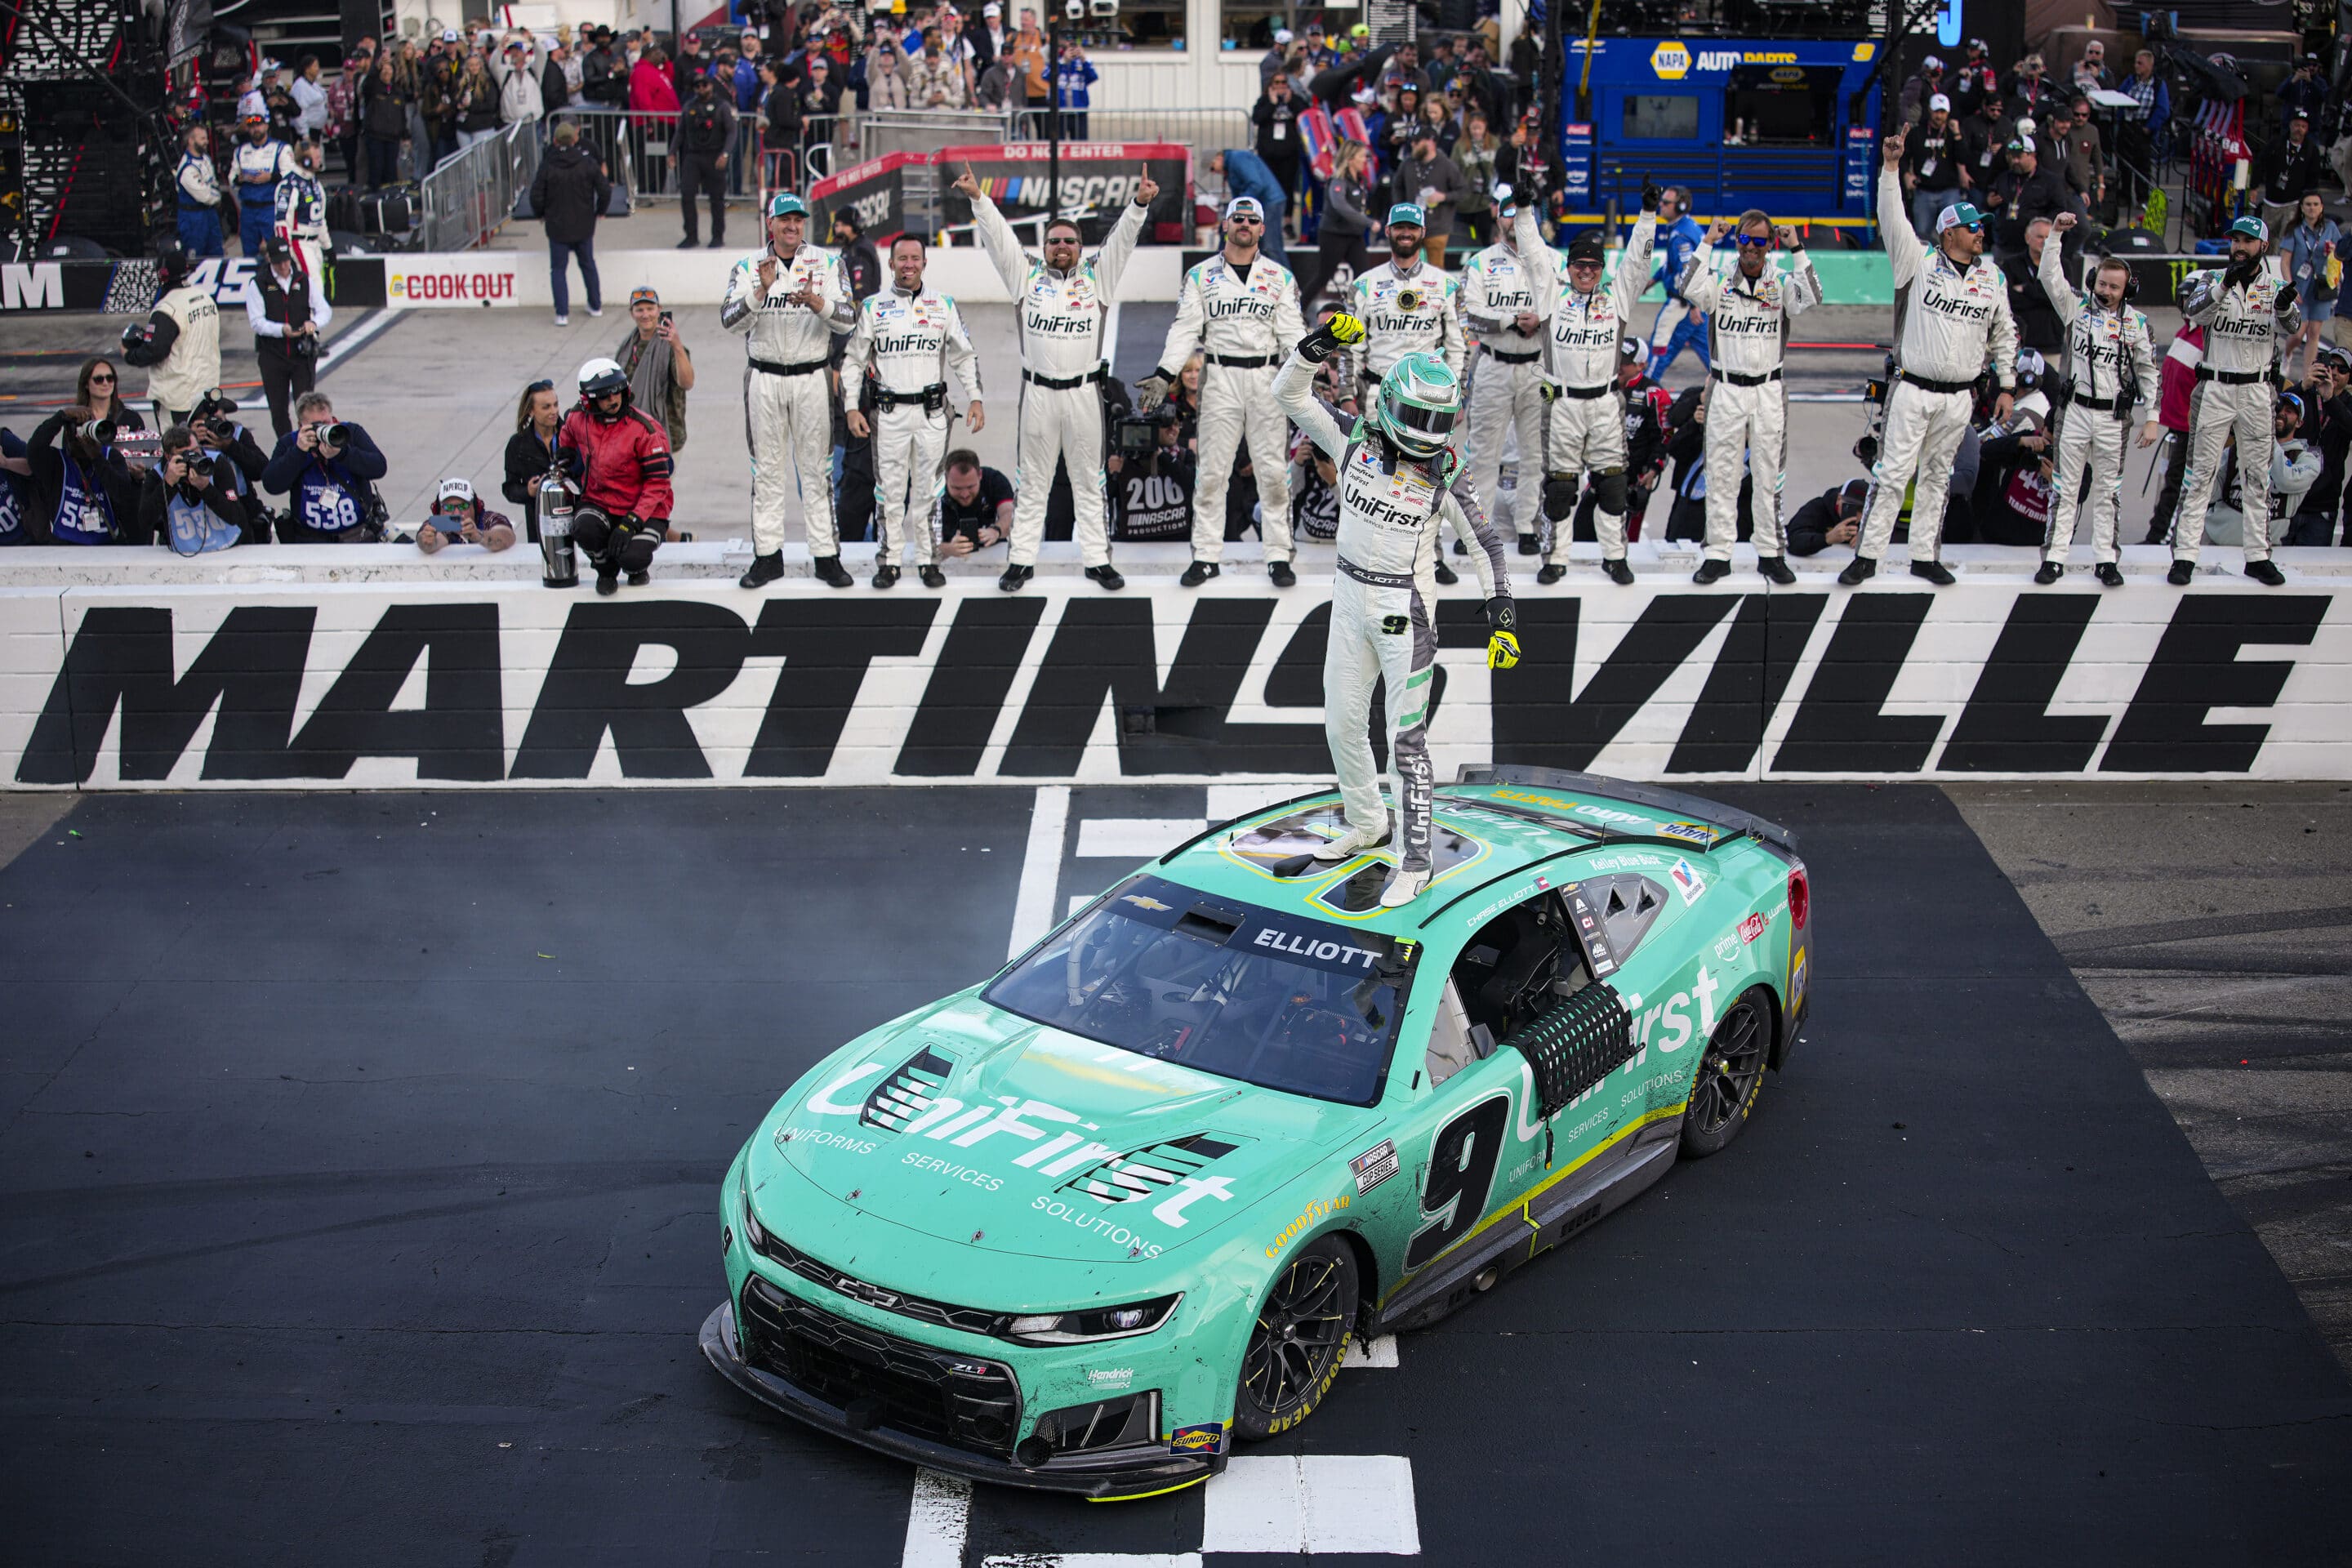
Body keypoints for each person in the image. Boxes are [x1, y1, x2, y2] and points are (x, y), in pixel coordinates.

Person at [1274, 318, 1520, 907]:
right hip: (1347, 596)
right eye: (1420, 416)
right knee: (1339, 724)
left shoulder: (1447, 475)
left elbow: (1487, 544)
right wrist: (1320, 343)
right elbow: (1288, 393)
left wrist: (1503, 615)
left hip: (1402, 613)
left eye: (1439, 421)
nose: (1427, 432)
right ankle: (1366, 822)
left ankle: (1416, 860)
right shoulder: (1352, 437)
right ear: (1389, 404)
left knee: (1404, 742)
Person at [960, 163, 1152, 591]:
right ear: (1043, 246)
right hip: (1039, 393)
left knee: (1090, 481)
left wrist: (1138, 205)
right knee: (1032, 482)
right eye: (1054, 241)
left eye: (1069, 241)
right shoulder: (1025, 275)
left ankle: (1098, 560)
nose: (1061, 246)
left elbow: (1122, 241)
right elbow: (1001, 240)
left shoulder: (1096, 277)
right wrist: (979, 198)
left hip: (1085, 395)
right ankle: (1022, 561)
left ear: (1082, 247)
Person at [1850, 131, 2017, 585]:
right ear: (1948, 233)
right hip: (1913, 390)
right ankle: (1868, 556)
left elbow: (2005, 334)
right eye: (1972, 227)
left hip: (1961, 397)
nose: (1981, 231)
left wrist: (2006, 386)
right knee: (1892, 473)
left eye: (1981, 225)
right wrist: (1889, 169)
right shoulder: (1918, 263)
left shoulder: (1992, 277)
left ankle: (1925, 556)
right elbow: (1891, 216)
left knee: (1938, 479)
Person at [1145, 194, 1307, 587]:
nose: (1245, 225)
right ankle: (1205, 555)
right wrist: (1165, 372)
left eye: (1253, 220)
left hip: (1267, 378)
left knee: (1272, 473)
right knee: (1212, 472)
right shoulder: (1200, 275)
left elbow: (1293, 334)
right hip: (1218, 376)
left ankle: (1278, 556)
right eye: (1238, 218)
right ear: (1226, 224)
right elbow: (1185, 328)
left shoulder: (1281, 277)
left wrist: (1310, 370)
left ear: (1263, 228)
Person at [1517, 183, 1661, 584]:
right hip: (1561, 405)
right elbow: (1530, 254)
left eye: (1593, 266)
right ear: (1568, 267)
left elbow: (1638, 263)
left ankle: (1615, 558)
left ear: (1601, 271)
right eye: (1578, 264)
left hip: (1604, 404)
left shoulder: (1617, 298)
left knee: (1613, 485)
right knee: (1560, 489)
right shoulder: (1551, 296)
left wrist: (1648, 215)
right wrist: (1526, 209)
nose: (1585, 271)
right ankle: (1555, 558)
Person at [1676, 209, 1820, 584]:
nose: (1751, 247)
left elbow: (1812, 297)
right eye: (1745, 239)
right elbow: (1686, 286)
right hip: (1725, 388)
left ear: (1770, 245)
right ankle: (1718, 554)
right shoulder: (1720, 279)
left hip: (1769, 389)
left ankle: (1770, 553)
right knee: (1721, 473)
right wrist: (1707, 241)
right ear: (1736, 241)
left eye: (1759, 241)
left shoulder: (1783, 280)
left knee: (1769, 475)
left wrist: (1797, 248)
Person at [727, 192, 858, 589]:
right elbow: (730, 321)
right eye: (784, 220)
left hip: (811, 376)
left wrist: (819, 303)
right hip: (764, 377)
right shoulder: (748, 266)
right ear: (771, 224)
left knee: (817, 472)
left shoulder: (829, 262)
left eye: (798, 220)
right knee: (766, 471)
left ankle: (826, 556)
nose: (792, 226)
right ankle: (768, 557)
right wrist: (759, 292)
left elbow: (849, 317)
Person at [839, 235, 984, 589]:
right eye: (901, 258)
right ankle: (889, 562)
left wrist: (976, 397)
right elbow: (854, 361)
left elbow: (964, 355)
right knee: (888, 492)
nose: (908, 264)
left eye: (914, 258)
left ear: (924, 263)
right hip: (888, 413)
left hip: (932, 413)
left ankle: (928, 560)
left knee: (928, 492)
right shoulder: (873, 307)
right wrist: (850, 408)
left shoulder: (943, 304)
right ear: (890, 264)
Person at [2169, 216, 2298, 586]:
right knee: (2200, 476)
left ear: (2264, 247)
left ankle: (2257, 556)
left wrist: (2287, 307)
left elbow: (2292, 326)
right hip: (2215, 387)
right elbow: (2194, 313)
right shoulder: (2212, 279)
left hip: (2258, 390)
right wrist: (2226, 284)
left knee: (2257, 477)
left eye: (2248, 241)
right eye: (2235, 240)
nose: (2239, 246)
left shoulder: (2275, 287)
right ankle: (2185, 556)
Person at [2034, 218, 2158, 586]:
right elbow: (2049, 276)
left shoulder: (2137, 324)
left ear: (2127, 290)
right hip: (2073, 411)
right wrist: (2056, 234)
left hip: (2114, 418)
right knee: (2064, 487)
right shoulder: (2077, 309)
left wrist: (2153, 417)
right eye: (2102, 283)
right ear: (2093, 280)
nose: (2106, 290)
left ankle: (2106, 560)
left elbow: (2150, 372)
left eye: (2114, 286)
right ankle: (2054, 558)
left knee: (2109, 492)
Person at [1461, 183, 1549, 561]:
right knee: (1483, 454)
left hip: (1536, 367)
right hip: (1494, 364)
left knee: (1533, 453)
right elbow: (1471, 316)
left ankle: (1528, 526)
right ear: (1498, 216)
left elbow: (1563, 310)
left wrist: (1541, 320)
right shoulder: (1480, 262)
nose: (1514, 219)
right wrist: (1512, 321)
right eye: (1507, 211)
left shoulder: (1551, 262)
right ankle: (1478, 529)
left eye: (1520, 211)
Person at [558, 358, 673, 593]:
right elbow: (567, 435)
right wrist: (565, 459)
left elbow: (658, 483)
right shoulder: (577, 418)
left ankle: (636, 570)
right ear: (588, 400)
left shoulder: (645, 429)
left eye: (616, 392)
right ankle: (605, 570)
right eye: (604, 396)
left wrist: (631, 523)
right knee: (583, 529)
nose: (613, 399)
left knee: (632, 558)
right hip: (599, 501)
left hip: (645, 509)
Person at [2203, 393, 2320, 554]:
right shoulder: (2237, 449)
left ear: (2299, 422)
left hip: (2263, 553)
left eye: (2289, 411)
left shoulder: (2307, 460)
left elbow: (2285, 480)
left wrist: (2266, 437)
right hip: (2216, 544)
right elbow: (2211, 492)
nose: (2281, 414)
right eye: (2277, 409)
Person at [262, 391, 386, 542]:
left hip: (356, 536)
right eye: (316, 426)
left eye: (327, 423)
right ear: (301, 426)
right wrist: (299, 453)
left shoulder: (350, 433)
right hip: (310, 539)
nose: (323, 431)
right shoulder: (290, 443)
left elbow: (379, 467)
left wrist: (343, 454)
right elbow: (271, 484)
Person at [121, 245, 220, 427]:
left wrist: (129, 354)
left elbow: (155, 351)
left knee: (177, 449)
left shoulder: (167, 308)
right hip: (207, 392)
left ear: (162, 275)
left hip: (177, 399)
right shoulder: (206, 298)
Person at [244, 235, 332, 441]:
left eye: (286, 260)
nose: (283, 265)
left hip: (302, 354)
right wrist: (281, 330)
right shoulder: (258, 284)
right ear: (270, 260)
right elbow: (256, 321)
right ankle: (289, 445)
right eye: (278, 262)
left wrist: (314, 324)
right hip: (273, 355)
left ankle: (310, 443)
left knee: (307, 406)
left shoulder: (303, 280)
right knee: (278, 409)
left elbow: (324, 310)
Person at [531, 121, 610, 328]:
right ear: (575, 139)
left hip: (557, 226)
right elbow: (604, 189)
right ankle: (595, 305)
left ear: (555, 141)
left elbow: (536, 194)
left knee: (558, 269)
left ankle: (562, 313)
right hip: (584, 224)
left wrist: (540, 213)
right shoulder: (587, 163)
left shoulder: (548, 164)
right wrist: (600, 211)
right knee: (588, 264)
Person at [25, 403, 138, 544]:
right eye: (79, 427)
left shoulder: (110, 457)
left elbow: (123, 494)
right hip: (66, 547)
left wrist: (97, 458)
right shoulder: (57, 462)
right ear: (68, 433)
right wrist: (61, 416)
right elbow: (34, 450)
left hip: (106, 546)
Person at [612, 286, 694, 452]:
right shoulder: (626, 348)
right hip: (631, 437)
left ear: (659, 310)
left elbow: (687, 383)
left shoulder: (671, 348)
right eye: (639, 310)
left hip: (666, 436)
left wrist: (677, 346)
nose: (645, 314)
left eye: (650, 309)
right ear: (632, 313)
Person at [2287, 346, 2352, 545]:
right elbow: (2277, 414)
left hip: (2322, 506)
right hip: (2289, 500)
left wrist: (2330, 399)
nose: (2334, 372)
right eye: (2330, 366)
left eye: (2342, 370)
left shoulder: (2348, 404)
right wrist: (2302, 386)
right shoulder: (2304, 394)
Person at [1646, 187, 1709, 379]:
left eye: (1666, 203)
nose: (1661, 206)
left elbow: (1687, 270)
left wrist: (1691, 305)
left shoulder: (1680, 236)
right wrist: (1653, 281)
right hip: (1697, 304)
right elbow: (1672, 265)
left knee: (1658, 351)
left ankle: (1643, 392)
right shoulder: (1689, 226)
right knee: (1716, 360)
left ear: (1680, 206)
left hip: (1682, 305)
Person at [1308, 140, 1378, 307]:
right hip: (1334, 234)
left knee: (1363, 276)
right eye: (1361, 156)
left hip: (1354, 235)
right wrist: (1368, 222)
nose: (1364, 160)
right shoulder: (1338, 181)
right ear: (1350, 159)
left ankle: (1360, 310)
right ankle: (1300, 308)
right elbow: (1341, 206)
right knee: (1324, 276)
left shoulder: (1359, 181)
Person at [2280, 191, 2339, 383]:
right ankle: (2287, 353)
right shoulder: (2295, 229)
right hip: (2300, 289)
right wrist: (2290, 285)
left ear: (2321, 207)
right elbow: (2285, 261)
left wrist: (2334, 252)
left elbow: (2341, 253)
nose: (2312, 208)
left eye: (2316, 204)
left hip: (2321, 288)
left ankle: (2308, 376)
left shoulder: (2330, 228)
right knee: (2298, 333)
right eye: (2308, 204)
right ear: (2302, 208)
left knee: (2314, 332)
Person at [675, 72, 735, 250]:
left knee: (717, 198)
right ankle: (691, 235)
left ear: (710, 86)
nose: (701, 89)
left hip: (715, 154)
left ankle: (718, 236)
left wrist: (725, 154)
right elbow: (681, 132)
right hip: (694, 155)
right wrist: (672, 152)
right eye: (697, 86)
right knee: (687, 193)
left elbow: (732, 131)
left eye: (704, 85)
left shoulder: (721, 106)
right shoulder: (689, 106)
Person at [502, 377, 564, 541]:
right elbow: (509, 488)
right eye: (546, 407)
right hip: (539, 522)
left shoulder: (570, 435)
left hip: (571, 516)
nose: (554, 411)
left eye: (555, 404)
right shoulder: (519, 444)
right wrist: (528, 492)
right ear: (531, 411)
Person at [230, 114, 296, 256]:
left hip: (271, 208)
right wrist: (240, 179)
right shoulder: (240, 151)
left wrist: (271, 177)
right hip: (248, 209)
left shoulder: (281, 148)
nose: (256, 129)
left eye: (259, 125)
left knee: (278, 250)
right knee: (249, 253)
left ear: (266, 126)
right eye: (252, 126)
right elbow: (232, 179)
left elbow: (291, 177)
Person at [1400, 128, 1465, 270]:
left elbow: (1462, 191)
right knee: (1407, 265)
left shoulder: (1447, 165)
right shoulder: (1408, 163)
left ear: (1430, 143)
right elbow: (1397, 186)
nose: (1413, 145)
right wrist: (1401, 209)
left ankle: (1436, 293)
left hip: (1438, 225)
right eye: (1412, 142)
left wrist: (1443, 197)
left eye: (1417, 142)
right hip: (1411, 224)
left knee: (1436, 269)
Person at [1212, 149, 1291, 265]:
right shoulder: (1230, 169)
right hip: (1265, 203)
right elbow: (1237, 199)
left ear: (1219, 158)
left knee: (1271, 245)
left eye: (1212, 167)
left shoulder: (1237, 159)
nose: (1214, 172)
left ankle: (1285, 280)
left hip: (1271, 201)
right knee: (1265, 246)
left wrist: (1242, 207)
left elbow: (1256, 184)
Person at [1904, 96, 1966, 238]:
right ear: (1930, 110)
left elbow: (1963, 158)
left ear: (1948, 113)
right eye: (1937, 112)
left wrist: (1957, 135)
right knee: (1922, 234)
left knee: (1952, 233)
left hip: (1949, 190)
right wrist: (1907, 174)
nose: (1939, 116)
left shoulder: (1953, 133)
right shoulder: (1917, 133)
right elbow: (1904, 157)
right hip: (1924, 190)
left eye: (1943, 112)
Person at [2115, 50, 2169, 212]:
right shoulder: (2131, 80)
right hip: (2127, 127)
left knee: (2142, 165)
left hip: (2143, 128)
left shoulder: (2158, 84)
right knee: (2123, 164)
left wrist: (2149, 127)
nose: (2136, 66)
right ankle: (2124, 195)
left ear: (2150, 65)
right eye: (2136, 62)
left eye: (2140, 63)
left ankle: (2142, 197)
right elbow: (2119, 95)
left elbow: (2163, 109)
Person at [2002, 217, 2064, 356]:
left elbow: (2060, 299)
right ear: (2027, 238)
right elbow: (2009, 299)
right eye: (2040, 237)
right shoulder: (2011, 264)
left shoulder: (2063, 265)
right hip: (2018, 343)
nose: (2044, 241)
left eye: (2048, 237)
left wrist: (2026, 289)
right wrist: (2045, 296)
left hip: (2051, 344)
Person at [2257, 114, 2325, 235]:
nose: (2299, 129)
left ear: (2307, 129)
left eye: (2303, 126)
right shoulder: (2276, 144)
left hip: (2294, 202)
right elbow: (2260, 164)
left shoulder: (2311, 150)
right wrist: (2253, 187)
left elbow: (2314, 177)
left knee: (2288, 237)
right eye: (2296, 125)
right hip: (2271, 201)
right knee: (2266, 239)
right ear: (2290, 125)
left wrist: (2307, 199)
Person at [938, 450, 1014, 556]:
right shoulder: (935, 490)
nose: (965, 494)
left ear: (980, 476)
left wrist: (996, 531)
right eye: (957, 488)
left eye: (970, 487)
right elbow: (923, 538)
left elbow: (1010, 513)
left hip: (992, 553)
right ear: (946, 479)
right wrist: (948, 549)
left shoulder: (993, 480)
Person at [273, 140, 330, 282]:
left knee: (318, 285)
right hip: (300, 243)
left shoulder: (316, 183)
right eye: (316, 158)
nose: (319, 160)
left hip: (316, 243)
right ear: (305, 161)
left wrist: (328, 246)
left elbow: (320, 219)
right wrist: (285, 253)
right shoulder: (290, 185)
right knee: (313, 286)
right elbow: (282, 223)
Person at [415, 475, 516, 554]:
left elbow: (507, 537)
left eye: (463, 506)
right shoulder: (435, 525)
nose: (456, 513)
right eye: (448, 508)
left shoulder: (489, 519)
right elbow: (429, 540)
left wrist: (478, 536)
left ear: (475, 507)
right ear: (439, 510)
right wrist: (428, 542)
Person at [359, 49, 412, 189]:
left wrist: (405, 134)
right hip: (375, 136)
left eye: (389, 70)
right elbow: (366, 85)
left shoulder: (398, 91)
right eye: (384, 70)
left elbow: (402, 115)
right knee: (376, 169)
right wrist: (377, 67)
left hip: (392, 137)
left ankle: (391, 199)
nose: (387, 73)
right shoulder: (373, 88)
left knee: (391, 171)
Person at [1253, 71, 1302, 208]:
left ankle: (1287, 221)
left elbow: (1303, 115)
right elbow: (1257, 118)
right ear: (1272, 84)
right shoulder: (1264, 100)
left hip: (1288, 152)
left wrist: (1290, 102)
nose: (1281, 85)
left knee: (1288, 187)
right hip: (1268, 152)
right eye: (1277, 82)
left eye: (1283, 82)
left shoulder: (1294, 99)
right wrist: (1272, 104)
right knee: (1268, 186)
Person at [175, 126, 225, 257]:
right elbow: (205, 195)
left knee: (216, 255)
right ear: (191, 141)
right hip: (193, 219)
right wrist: (217, 196)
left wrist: (214, 193)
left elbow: (214, 183)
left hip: (210, 215)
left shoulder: (206, 159)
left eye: (206, 138)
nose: (206, 141)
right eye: (202, 138)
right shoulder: (188, 168)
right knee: (195, 259)